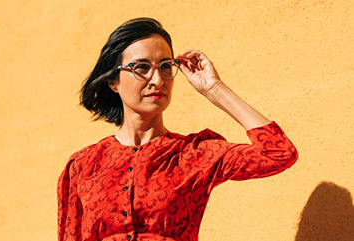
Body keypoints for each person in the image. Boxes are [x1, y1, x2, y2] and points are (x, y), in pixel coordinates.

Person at [57, 17, 299, 241]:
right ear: (113, 81)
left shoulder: (194, 155)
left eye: (165, 66)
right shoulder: (83, 166)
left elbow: (278, 153)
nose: (158, 80)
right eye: (141, 67)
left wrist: (214, 89)